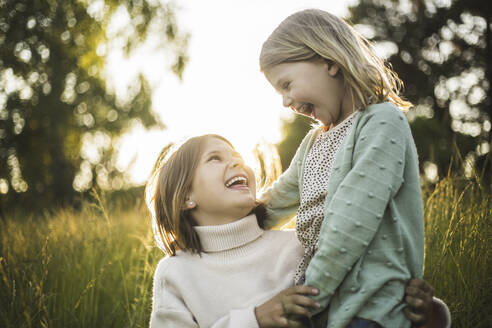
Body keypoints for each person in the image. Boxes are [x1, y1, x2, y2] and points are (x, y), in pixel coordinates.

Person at [147, 134, 450, 328]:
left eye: (237, 155)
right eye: (215, 158)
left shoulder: (300, 245)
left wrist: (425, 315)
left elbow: (361, 307)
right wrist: (255, 320)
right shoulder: (176, 273)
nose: (237, 161)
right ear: (186, 197)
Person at [259, 8, 441, 328]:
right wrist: (217, 220)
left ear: (328, 61)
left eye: (286, 84)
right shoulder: (315, 140)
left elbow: (349, 226)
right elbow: (276, 201)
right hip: (327, 306)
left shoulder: (381, 122)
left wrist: (307, 301)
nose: (285, 101)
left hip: (370, 310)